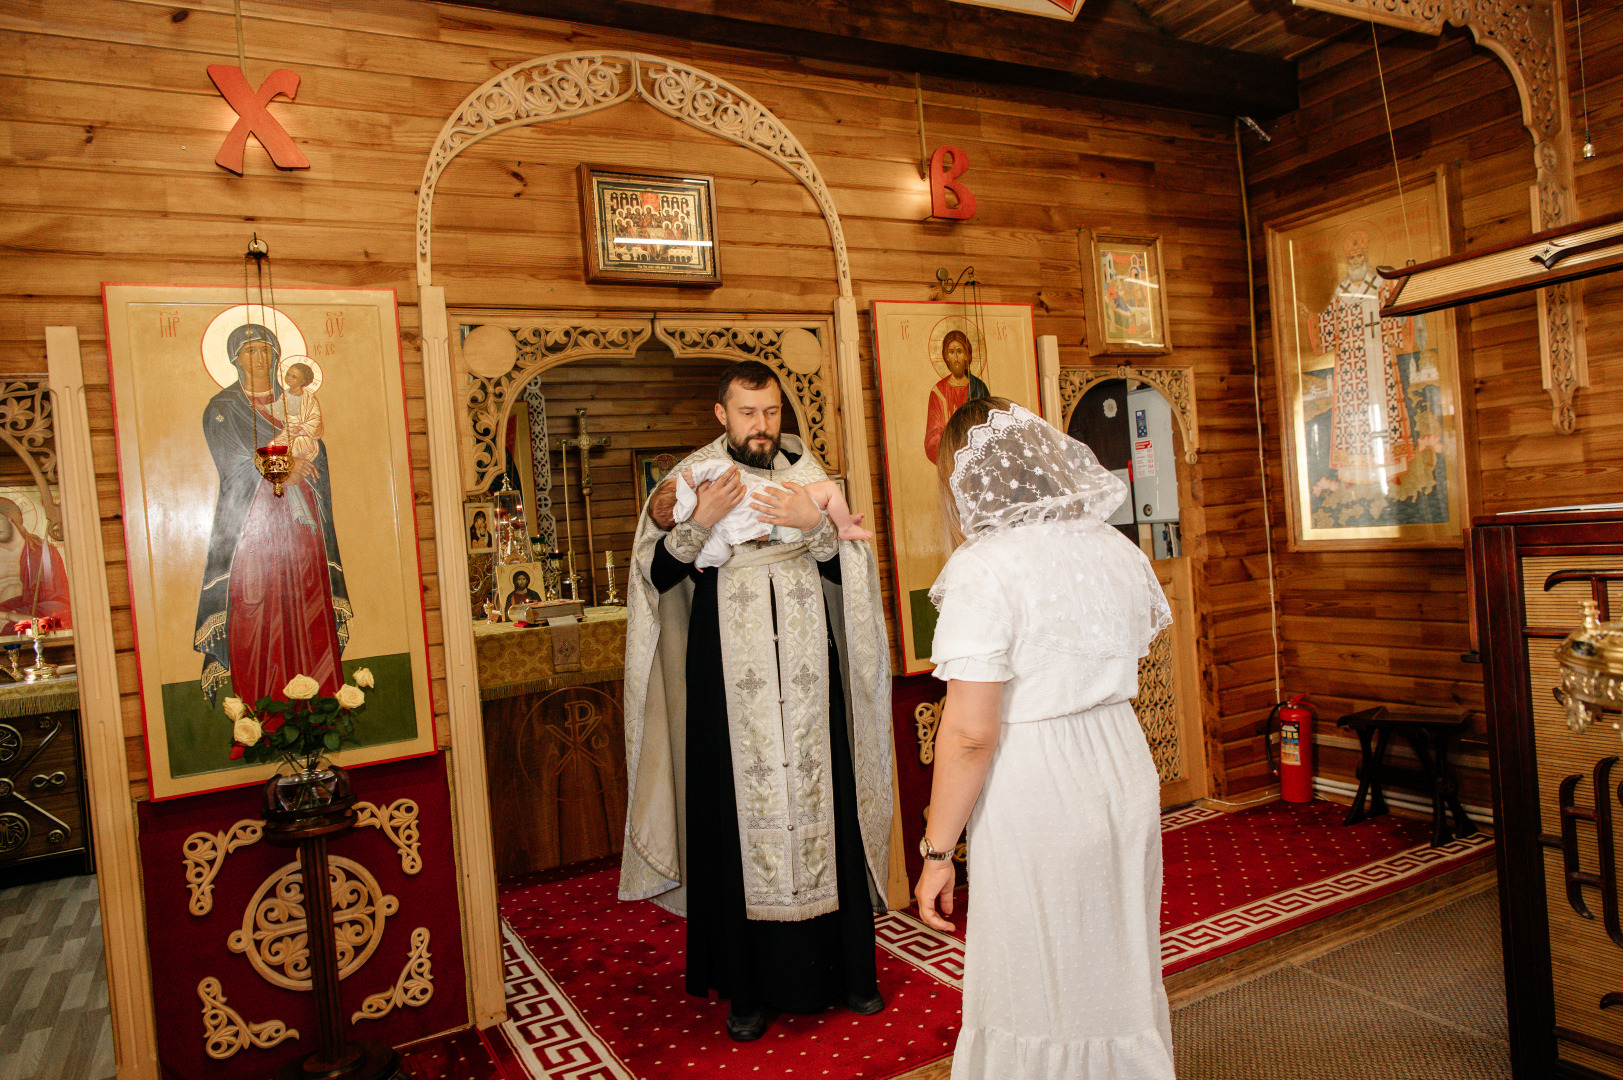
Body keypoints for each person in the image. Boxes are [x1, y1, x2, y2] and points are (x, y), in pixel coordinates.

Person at [619, 360, 894, 1043]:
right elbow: (654, 577)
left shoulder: (808, 474)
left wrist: (817, 523)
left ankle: (850, 975)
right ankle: (745, 992)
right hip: (727, 689)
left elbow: (848, 572)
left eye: (770, 412)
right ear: (722, 415)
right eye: (747, 413)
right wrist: (698, 522)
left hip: (809, 684)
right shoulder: (692, 478)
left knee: (824, 807)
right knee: (732, 826)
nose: (761, 426)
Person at [915, 397, 1175, 1080]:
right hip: (1119, 764)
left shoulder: (984, 567)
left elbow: (971, 733)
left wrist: (937, 851)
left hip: (1038, 779)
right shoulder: (1111, 547)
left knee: (1036, 968)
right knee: (1117, 957)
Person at [194, 322, 351, 704]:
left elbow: (318, 449)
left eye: (266, 350)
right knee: (255, 605)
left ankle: (319, 701)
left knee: (309, 599)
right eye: (250, 351)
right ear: (235, 359)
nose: (259, 358)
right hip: (253, 524)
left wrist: (304, 460)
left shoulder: (299, 400)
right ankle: (258, 701)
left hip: (301, 522)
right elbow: (231, 463)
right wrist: (284, 466)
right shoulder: (223, 408)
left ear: (278, 356)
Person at [670, 458, 871, 569]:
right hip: (786, 502)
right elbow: (721, 466)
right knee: (829, 490)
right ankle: (844, 526)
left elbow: (719, 554)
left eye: (772, 412)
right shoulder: (716, 483)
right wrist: (696, 474)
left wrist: (700, 559)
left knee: (818, 518)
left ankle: (841, 521)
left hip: (778, 533)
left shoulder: (713, 529)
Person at [0, 499, 71, 627]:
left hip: (31, 620)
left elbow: (62, 602)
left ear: (10, 518)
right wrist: (8, 616)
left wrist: (13, 616)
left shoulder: (43, 552)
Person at [923, 329, 990, 464]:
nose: (956, 357)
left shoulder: (979, 388)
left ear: (967, 355)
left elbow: (990, 424)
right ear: (946, 357)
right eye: (951, 352)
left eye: (959, 352)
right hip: (951, 460)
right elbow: (932, 438)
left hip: (978, 459)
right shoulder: (938, 392)